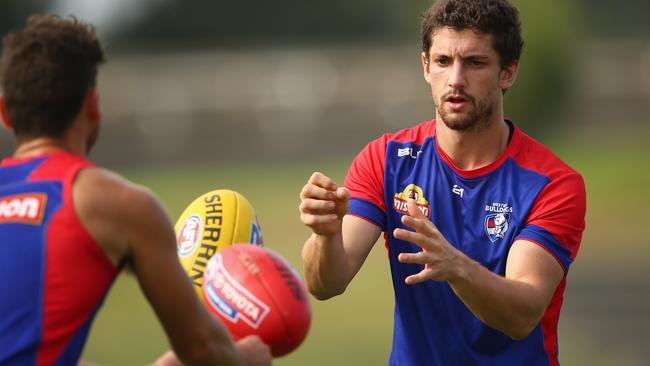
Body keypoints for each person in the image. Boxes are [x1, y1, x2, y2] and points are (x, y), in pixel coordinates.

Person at [299, 0, 586, 365]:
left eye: (475, 63)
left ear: (508, 72)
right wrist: (325, 234)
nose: (455, 80)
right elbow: (326, 283)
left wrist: (455, 266)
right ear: (425, 66)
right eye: (443, 61)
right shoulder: (386, 160)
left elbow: (521, 316)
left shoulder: (551, 184)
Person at [0, 15, 272, 366]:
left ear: (5, 113)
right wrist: (242, 358)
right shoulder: (117, 204)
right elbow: (204, 350)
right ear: (94, 106)